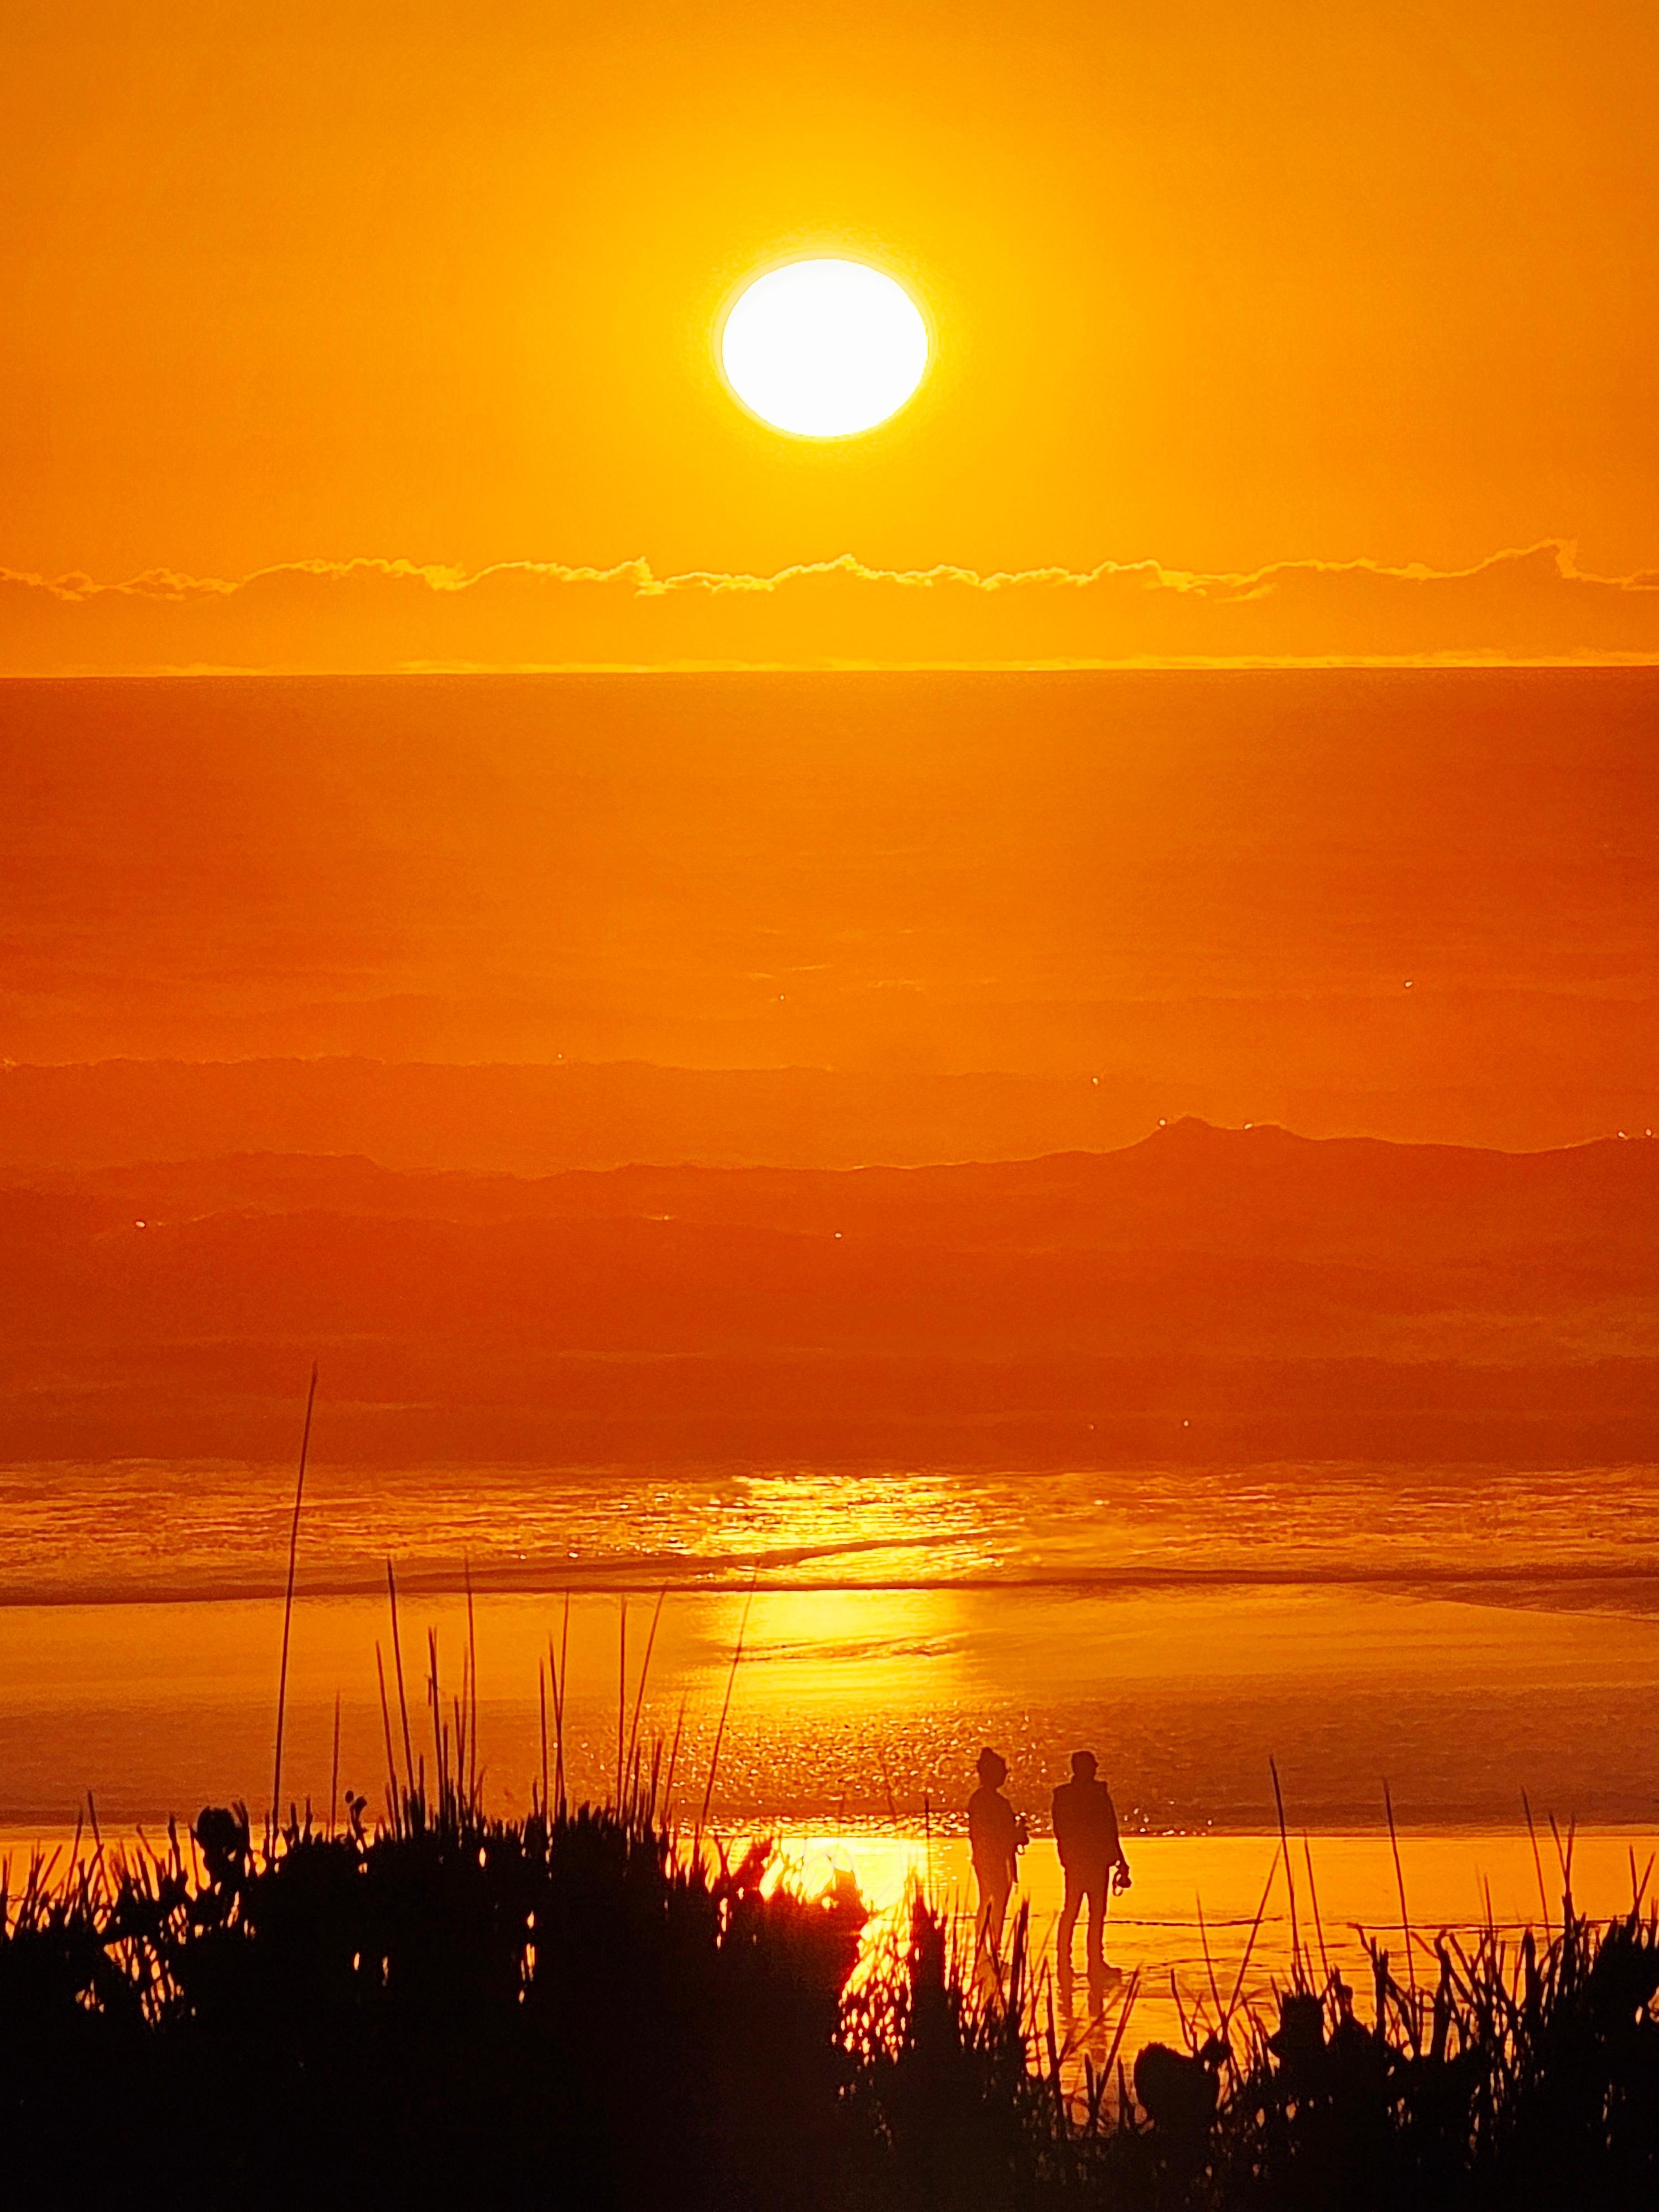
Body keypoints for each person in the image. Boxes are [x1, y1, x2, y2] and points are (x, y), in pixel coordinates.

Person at [1051, 1749, 1129, 1986]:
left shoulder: (1067, 1796)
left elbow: (1109, 1829)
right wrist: (1120, 1860)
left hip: (1085, 1861)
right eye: (1092, 1766)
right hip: (1088, 1862)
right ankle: (1081, 1961)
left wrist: (1120, 1860)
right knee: (1081, 1911)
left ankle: (1084, 1961)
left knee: (1085, 1911)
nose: (1096, 1769)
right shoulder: (1091, 1795)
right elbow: (1108, 1829)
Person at [967, 1746, 1025, 1971]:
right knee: (995, 1903)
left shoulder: (980, 1800)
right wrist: (1019, 1833)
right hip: (994, 1859)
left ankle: (988, 1948)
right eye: (1002, 1772)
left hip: (985, 1858)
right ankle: (990, 1949)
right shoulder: (994, 1802)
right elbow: (1001, 1834)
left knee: (989, 1901)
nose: (1005, 1776)